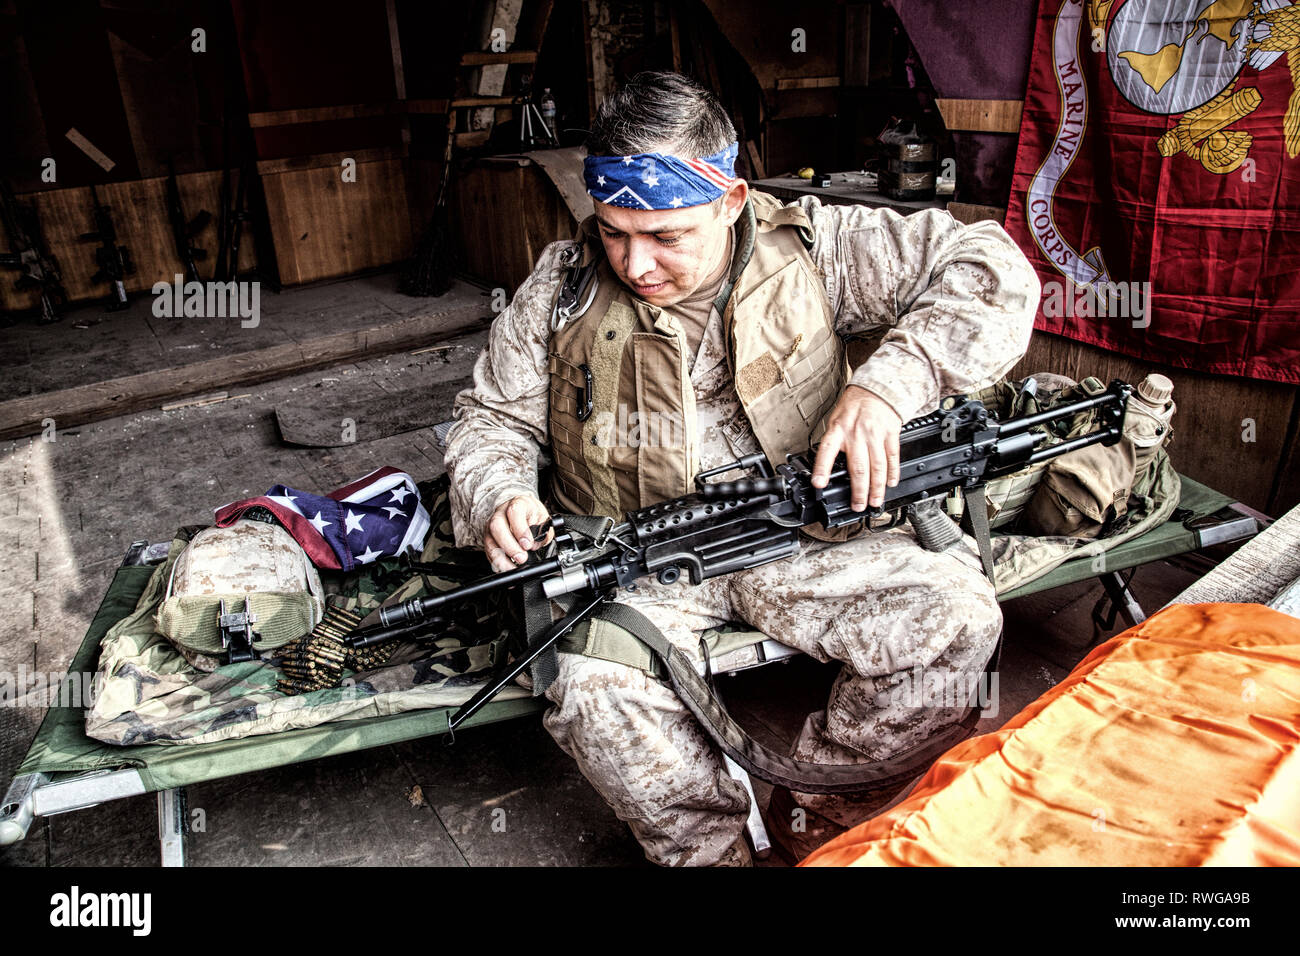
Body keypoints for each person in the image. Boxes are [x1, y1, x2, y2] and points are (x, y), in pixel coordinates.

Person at [443, 71, 1039, 866]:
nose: (636, 262)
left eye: (666, 235)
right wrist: (501, 493)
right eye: (615, 231)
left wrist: (889, 386)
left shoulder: (818, 247)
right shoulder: (562, 287)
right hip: (640, 561)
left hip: (804, 535)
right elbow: (489, 420)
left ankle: (829, 826)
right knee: (596, 697)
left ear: (730, 200)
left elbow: (991, 266)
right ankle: (713, 854)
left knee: (956, 619)